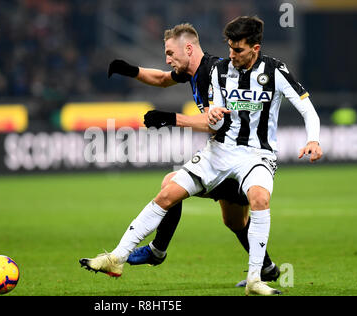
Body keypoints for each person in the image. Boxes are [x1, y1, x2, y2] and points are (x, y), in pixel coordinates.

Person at [80, 16, 322, 295]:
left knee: (251, 205)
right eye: (229, 48)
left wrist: (313, 139)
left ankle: (256, 276)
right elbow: (207, 114)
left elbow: (305, 107)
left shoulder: (270, 70)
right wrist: (214, 113)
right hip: (219, 152)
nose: (231, 55)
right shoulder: (220, 70)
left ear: (255, 48)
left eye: (238, 50)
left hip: (256, 155)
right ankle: (119, 257)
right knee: (170, 192)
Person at [107, 23, 279, 287]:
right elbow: (163, 79)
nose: (168, 59)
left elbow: (215, 123)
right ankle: (266, 267)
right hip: (223, 155)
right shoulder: (193, 71)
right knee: (233, 221)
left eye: (170, 53)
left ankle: (157, 251)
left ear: (188, 48)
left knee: (172, 185)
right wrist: (131, 71)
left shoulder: (216, 72)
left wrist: (170, 119)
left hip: (242, 156)